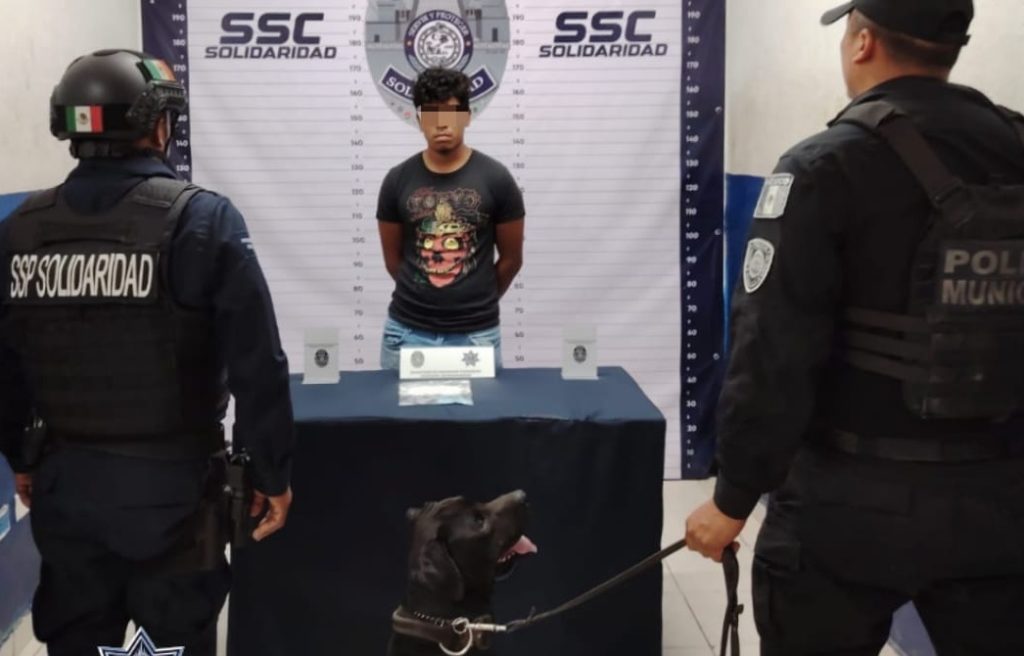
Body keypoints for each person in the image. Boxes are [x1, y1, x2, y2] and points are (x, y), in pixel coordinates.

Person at [684, 1, 1024, 653]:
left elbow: (772, 355)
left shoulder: (825, 165)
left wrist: (732, 499)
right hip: (1002, 499)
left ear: (863, 43)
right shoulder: (1014, 145)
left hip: (846, 504)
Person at [0, 49, 295, 656]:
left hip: (66, 486)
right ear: (159, 125)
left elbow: (6, 365)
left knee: (77, 637)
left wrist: (22, 457)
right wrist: (270, 473)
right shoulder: (201, 219)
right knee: (173, 641)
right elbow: (257, 364)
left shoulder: (20, 229)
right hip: (174, 491)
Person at [376, 67, 525, 370]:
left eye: (451, 113)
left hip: (476, 335)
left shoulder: (497, 178)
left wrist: (477, 301)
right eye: (431, 114)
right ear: (419, 120)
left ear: (467, 117)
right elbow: (393, 261)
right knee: (395, 405)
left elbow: (512, 260)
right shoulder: (397, 180)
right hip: (407, 332)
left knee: (483, 405)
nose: (442, 123)